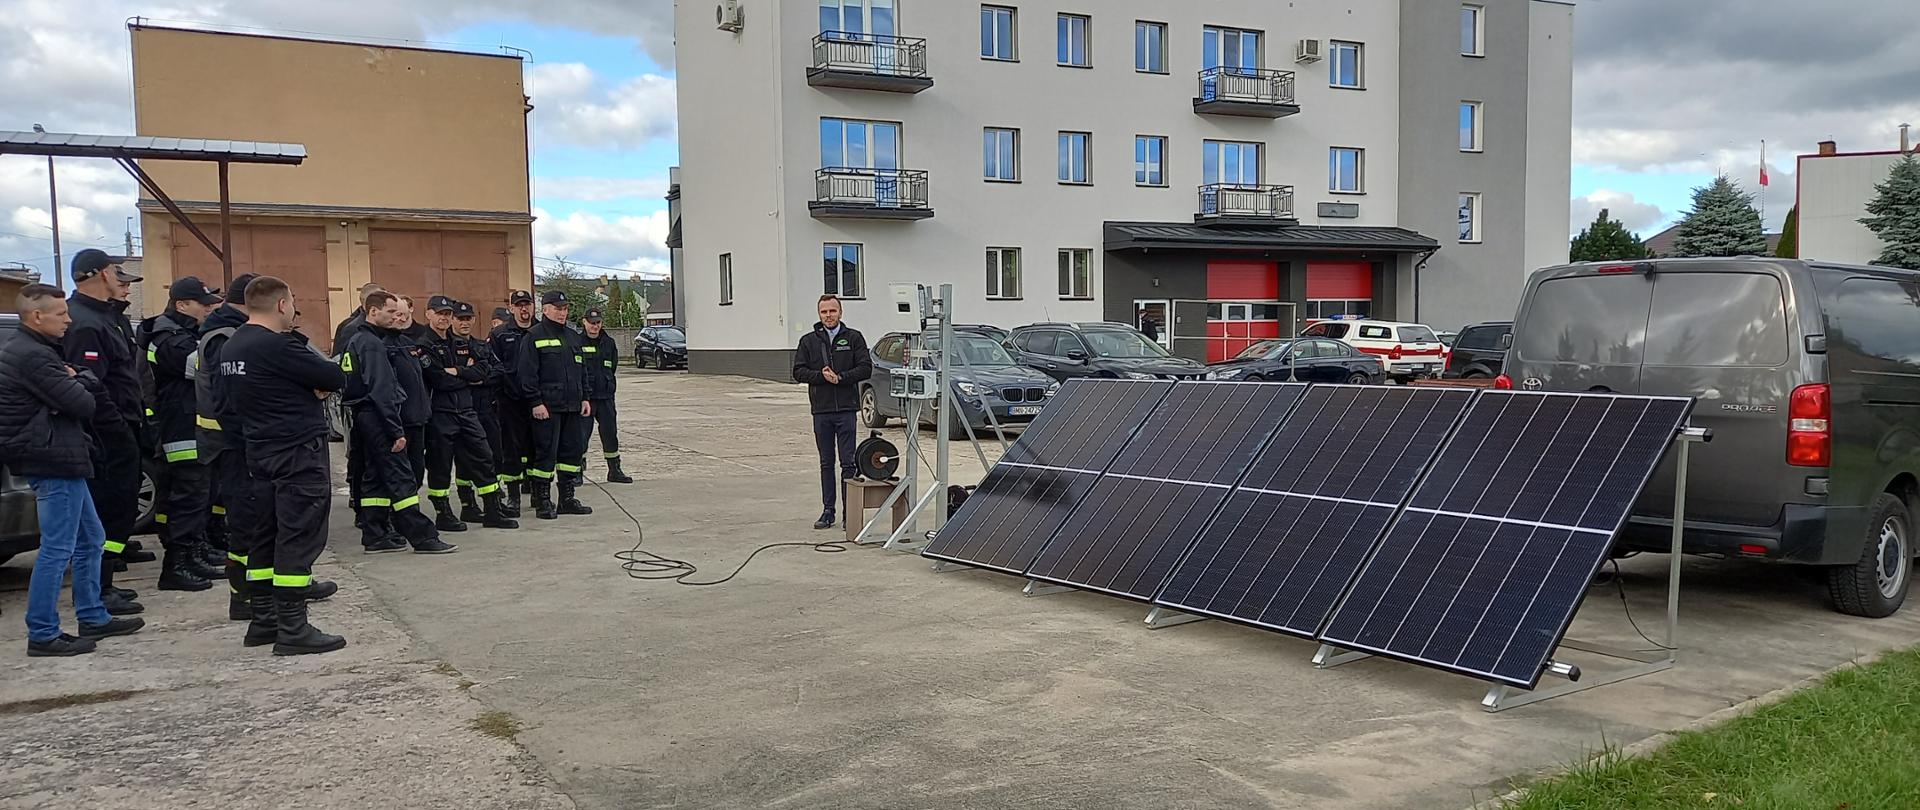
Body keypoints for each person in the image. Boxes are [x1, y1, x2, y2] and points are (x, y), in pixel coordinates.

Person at [1, 284, 146, 656]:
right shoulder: (32, 356)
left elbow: (74, 390)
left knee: (90, 538)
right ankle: (44, 632)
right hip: (52, 458)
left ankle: (93, 614)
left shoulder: (38, 351)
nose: (68, 321)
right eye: (61, 314)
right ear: (37, 317)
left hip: (63, 455)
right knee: (57, 549)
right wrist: (82, 379)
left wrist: (75, 376)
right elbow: (84, 403)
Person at [220, 276, 350, 655]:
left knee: (266, 535)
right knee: (298, 537)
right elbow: (333, 375)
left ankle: (264, 620)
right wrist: (312, 386)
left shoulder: (233, 346)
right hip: (296, 452)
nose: (293, 309)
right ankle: (294, 627)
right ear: (281, 305)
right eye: (292, 302)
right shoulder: (276, 346)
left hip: (258, 449)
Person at [64, 249, 149, 611]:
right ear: (100, 274)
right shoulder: (84, 321)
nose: (124, 282)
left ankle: (105, 580)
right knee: (108, 508)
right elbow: (90, 386)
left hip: (122, 424)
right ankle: (97, 588)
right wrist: (115, 430)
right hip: (106, 431)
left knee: (120, 507)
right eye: (118, 274)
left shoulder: (107, 317)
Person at [341, 292, 456, 554]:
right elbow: (382, 389)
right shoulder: (371, 344)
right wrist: (395, 430)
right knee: (401, 478)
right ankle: (423, 537)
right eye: (391, 312)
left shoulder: (368, 339)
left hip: (371, 417)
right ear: (373, 312)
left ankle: (375, 534)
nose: (398, 316)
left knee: (375, 480)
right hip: (381, 418)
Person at [140, 276, 226, 591]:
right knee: (187, 496)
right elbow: (203, 368)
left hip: (191, 424)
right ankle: (176, 566)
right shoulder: (169, 338)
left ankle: (195, 553)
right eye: (203, 305)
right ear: (182, 304)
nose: (208, 310)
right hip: (181, 427)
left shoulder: (184, 333)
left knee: (199, 494)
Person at [421, 296, 518, 531]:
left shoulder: (461, 343)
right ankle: (443, 513)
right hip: (440, 413)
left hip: (466, 411)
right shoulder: (423, 345)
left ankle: (492, 510)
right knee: (441, 465)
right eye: (441, 314)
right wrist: (467, 375)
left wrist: (458, 372)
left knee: (484, 458)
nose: (444, 318)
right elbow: (438, 379)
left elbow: (484, 369)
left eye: (446, 314)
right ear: (429, 315)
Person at [791, 295, 871, 530]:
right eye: (824, 312)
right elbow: (798, 371)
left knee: (848, 463)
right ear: (819, 314)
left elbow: (866, 368)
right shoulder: (808, 341)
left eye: (832, 311)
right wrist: (822, 377)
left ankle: (850, 513)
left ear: (840, 312)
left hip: (846, 409)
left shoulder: (853, 338)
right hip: (822, 410)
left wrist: (842, 378)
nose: (828, 315)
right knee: (826, 462)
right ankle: (828, 511)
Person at [512, 290, 593, 520]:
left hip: (572, 406)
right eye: (557, 308)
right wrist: (536, 402)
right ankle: (543, 501)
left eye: (565, 308)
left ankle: (567, 498)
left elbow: (582, 370)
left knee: (571, 453)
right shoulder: (534, 336)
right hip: (547, 408)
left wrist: (585, 397)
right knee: (545, 455)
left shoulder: (573, 337)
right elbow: (527, 374)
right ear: (544, 309)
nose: (562, 312)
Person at [455, 302, 509, 522]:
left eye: (468, 318)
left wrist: (478, 376)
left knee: (493, 455)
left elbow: (498, 370)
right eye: (460, 318)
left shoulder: (481, 346)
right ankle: (468, 504)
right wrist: (470, 373)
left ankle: (494, 501)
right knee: (465, 459)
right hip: (462, 409)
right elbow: (449, 376)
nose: (465, 322)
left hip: (486, 408)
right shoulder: (448, 347)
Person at [337, 283, 386, 524]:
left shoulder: (380, 332)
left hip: (370, 403)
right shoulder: (352, 330)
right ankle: (359, 505)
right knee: (359, 457)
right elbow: (343, 365)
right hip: (362, 403)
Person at [489, 290, 537, 515]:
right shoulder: (499, 334)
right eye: (519, 305)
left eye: (527, 304)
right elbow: (494, 367)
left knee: (538, 448)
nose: (523, 309)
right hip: (509, 401)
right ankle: (514, 496)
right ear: (512, 308)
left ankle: (539, 494)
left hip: (537, 400)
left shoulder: (540, 331)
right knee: (511, 449)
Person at [578, 308, 632, 484]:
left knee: (610, 433)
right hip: (586, 398)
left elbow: (613, 366)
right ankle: (577, 471)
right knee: (581, 436)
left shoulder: (608, 343)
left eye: (598, 323)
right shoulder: (576, 342)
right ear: (584, 322)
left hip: (606, 397)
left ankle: (614, 470)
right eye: (592, 323)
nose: (595, 326)